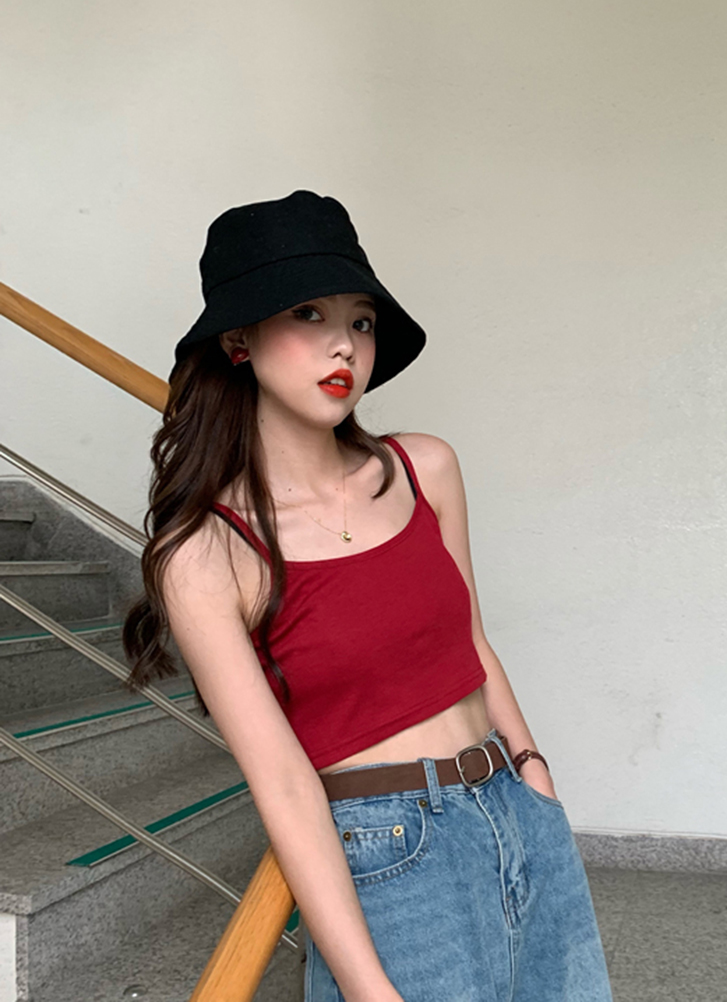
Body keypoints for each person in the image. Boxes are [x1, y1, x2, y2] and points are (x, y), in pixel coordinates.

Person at [123, 190, 613, 1002]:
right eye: (308, 313)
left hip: (514, 808)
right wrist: (366, 986)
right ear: (239, 340)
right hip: (389, 854)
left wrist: (534, 777)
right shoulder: (207, 554)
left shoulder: (425, 469)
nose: (343, 344)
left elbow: (472, 643)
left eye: (361, 320)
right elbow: (284, 783)